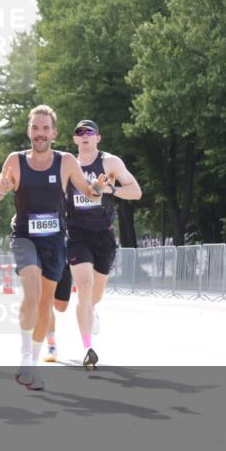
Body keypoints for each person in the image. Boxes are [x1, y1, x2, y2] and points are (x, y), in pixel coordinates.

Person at [0, 105, 105, 390]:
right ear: (29, 131)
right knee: (32, 293)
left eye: (45, 129)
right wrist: (2, 187)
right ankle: (24, 358)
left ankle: (33, 361)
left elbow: (88, 191)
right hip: (25, 237)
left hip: (54, 240)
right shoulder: (15, 161)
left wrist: (99, 188)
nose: (39, 134)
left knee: (45, 304)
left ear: (53, 132)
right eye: (35, 129)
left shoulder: (65, 161)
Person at [58, 119, 141, 370]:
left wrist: (109, 191)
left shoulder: (110, 162)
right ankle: (87, 348)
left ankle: (92, 308)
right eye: (79, 133)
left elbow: (136, 192)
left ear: (98, 138)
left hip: (103, 236)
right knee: (83, 286)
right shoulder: (66, 165)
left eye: (89, 132)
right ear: (74, 140)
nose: (84, 136)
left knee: (95, 295)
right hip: (76, 233)